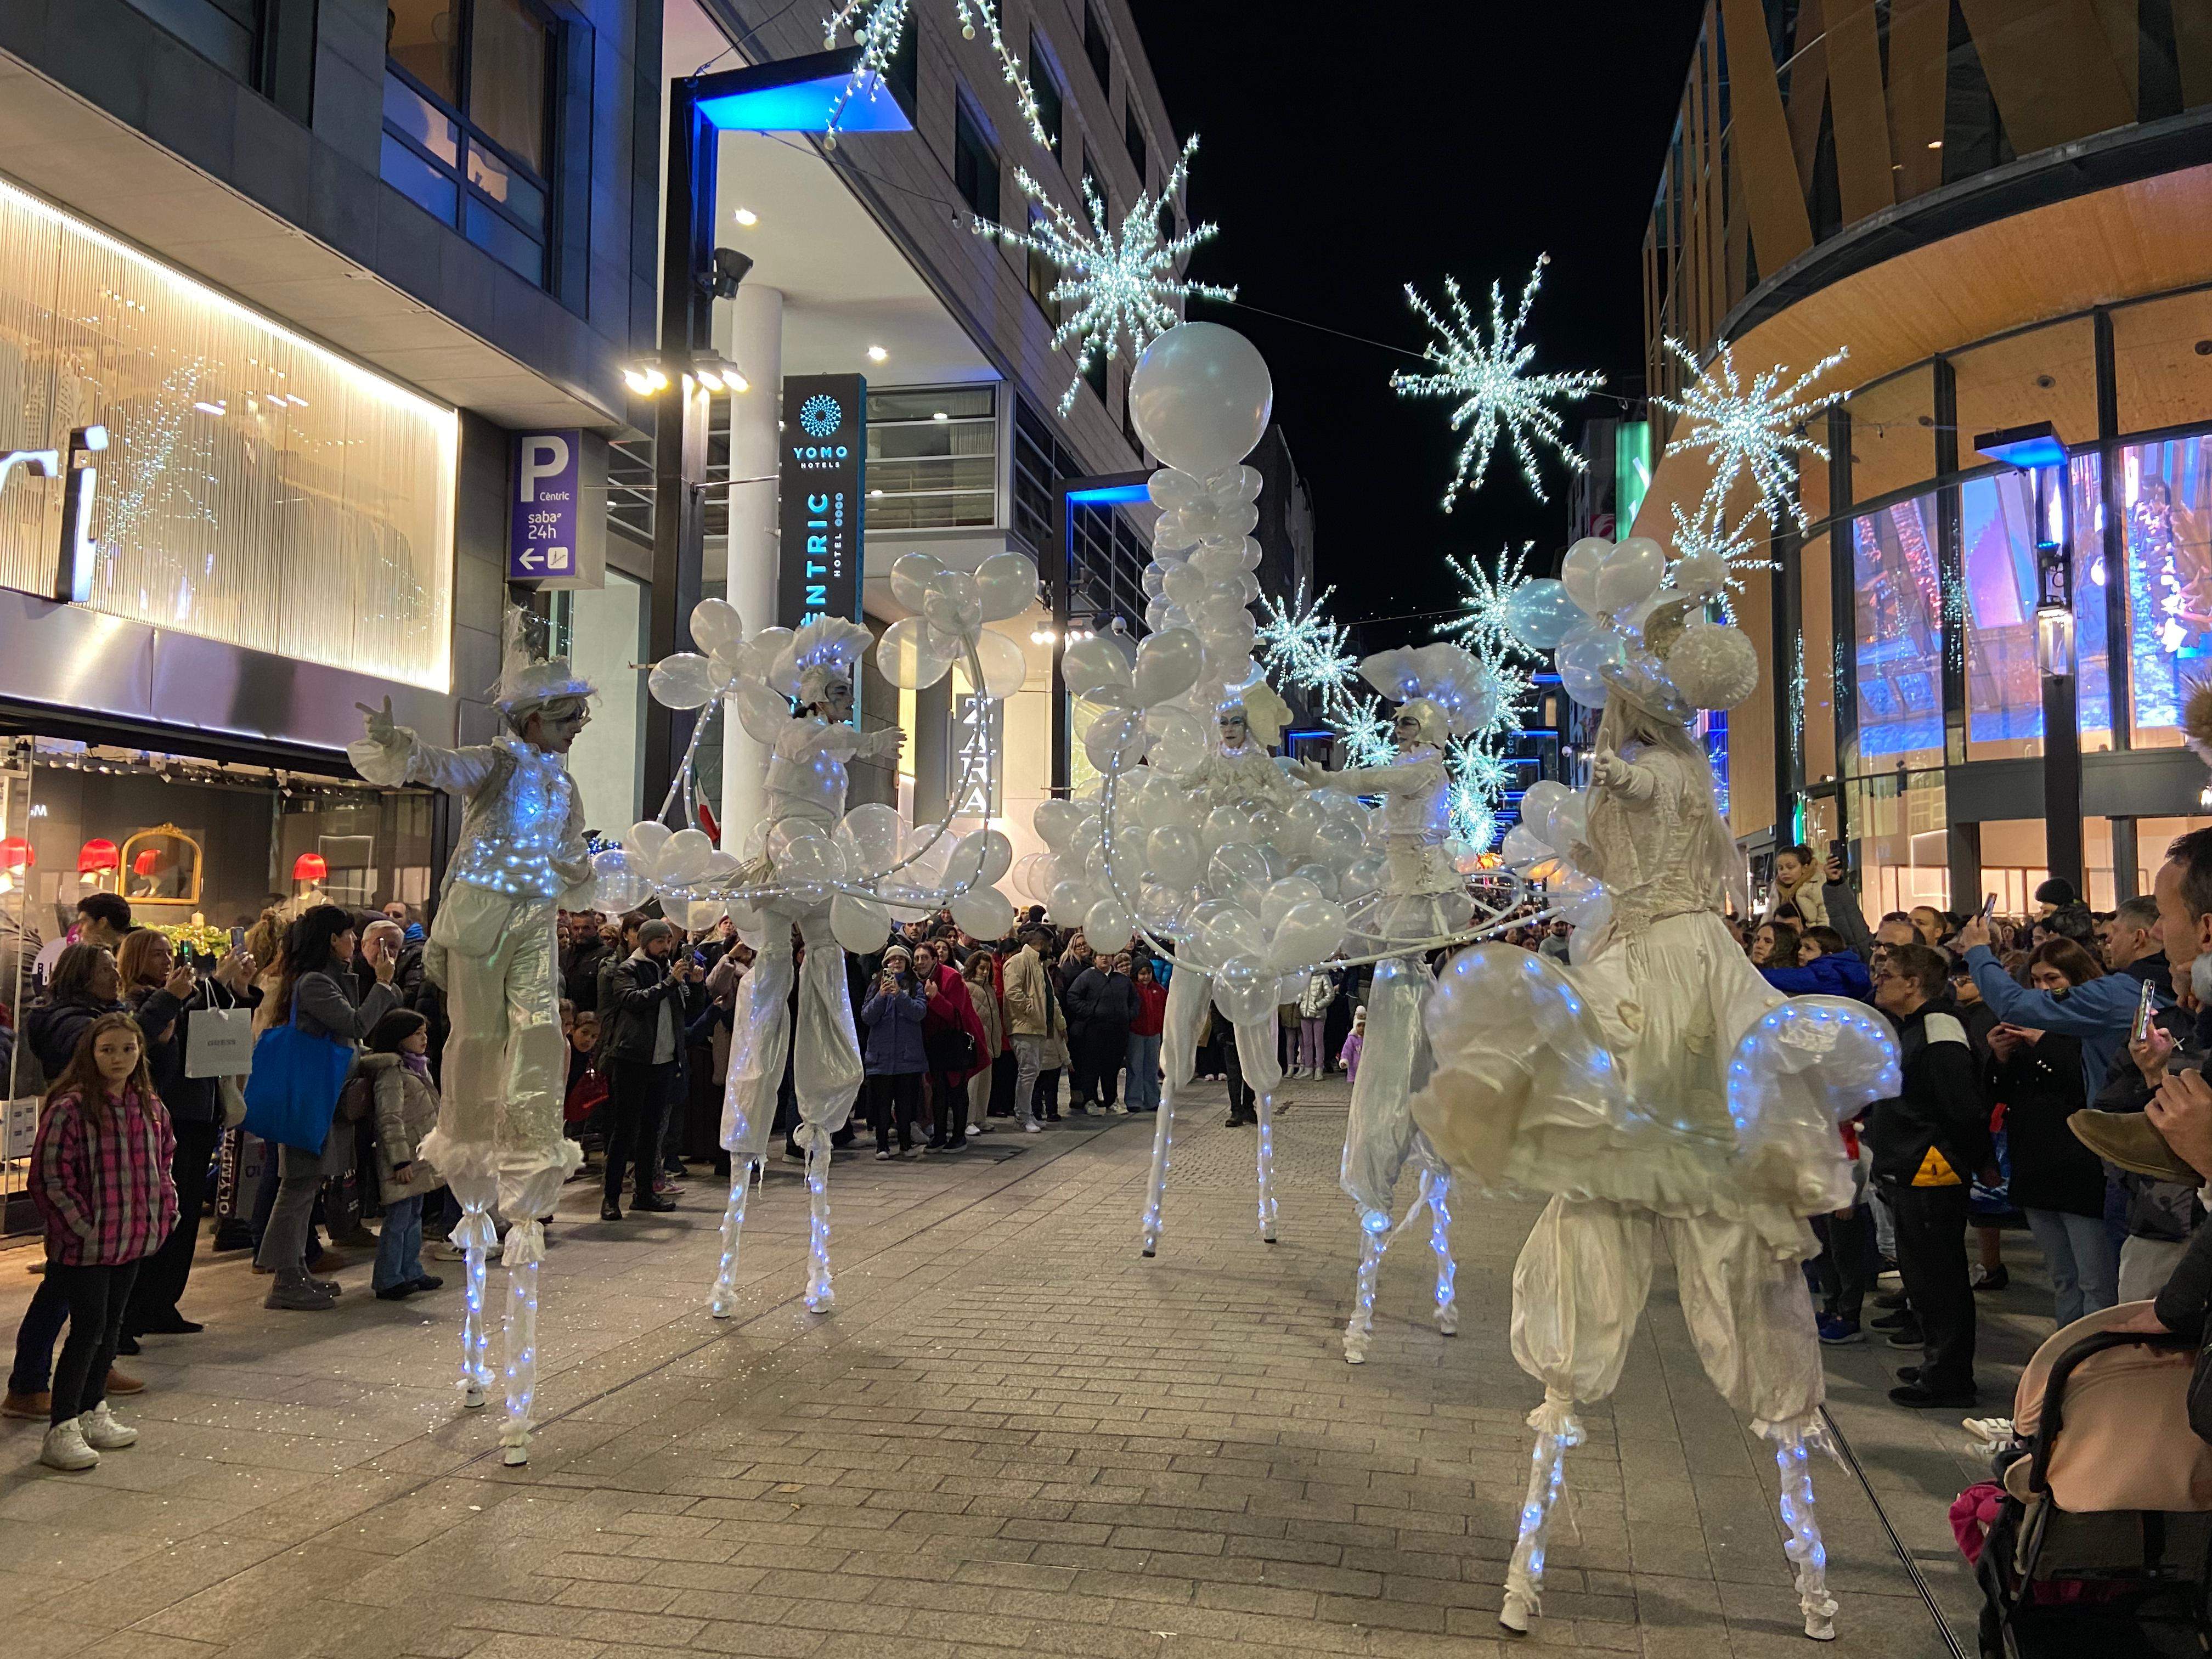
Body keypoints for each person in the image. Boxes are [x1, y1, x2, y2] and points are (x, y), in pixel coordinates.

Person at [30, 1011, 176, 1471]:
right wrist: (81, 1225)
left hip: (132, 1239)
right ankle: (62, 1424)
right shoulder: (70, 1108)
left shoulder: (150, 1105)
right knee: (87, 1328)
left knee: (112, 1326)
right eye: (108, 1050)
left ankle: (93, 1408)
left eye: (128, 1049)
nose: (119, 1059)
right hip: (87, 1245)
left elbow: (165, 1162)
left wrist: (165, 1210)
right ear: (90, 1053)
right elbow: (51, 1177)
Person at [257, 905, 400, 1310]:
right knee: (297, 1188)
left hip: (323, 1096)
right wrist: (383, 986)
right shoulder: (314, 984)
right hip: (310, 1097)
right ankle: (285, 1278)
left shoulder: (327, 978)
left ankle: (296, 1269)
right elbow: (354, 1026)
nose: (354, 943)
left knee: (306, 1187)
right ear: (331, 941)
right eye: (348, 936)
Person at [1869, 942, 1990, 1408]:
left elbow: (1961, 1106)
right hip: (1911, 1162)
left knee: (1939, 1276)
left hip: (1931, 1167)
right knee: (1922, 1274)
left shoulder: (1939, 1030)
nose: (1879, 981)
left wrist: (1978, 1159)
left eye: (1887, 975)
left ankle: (1950, 1377)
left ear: (1914, 984)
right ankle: (1936, 1361)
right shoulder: (1915, 1027)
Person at [116, 929, 250, 1345]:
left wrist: (235, 989)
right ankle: (136, 1310)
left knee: (187, 1214)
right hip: (168, 1116)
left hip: (201, 1112)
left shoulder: (177, 993)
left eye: (169, 952)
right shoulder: (139, 1001)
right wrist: (209, 985)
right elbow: (153, 1048)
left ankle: (163, 1302)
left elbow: (213, 1026)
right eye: (157, 953)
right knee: (161, 1218)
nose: (166, 959)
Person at [1984, 942, 2117, 1327]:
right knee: (2063, 1278)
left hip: (2081, 1168)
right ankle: (2063, 1357)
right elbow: (1999, 1094)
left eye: (2053, 980)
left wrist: (2043, 1041)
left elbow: (2089, 1083)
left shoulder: (2093, 1026)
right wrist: (2001, 1058)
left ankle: (2091, 1364)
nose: (2042, 989)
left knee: (2096, 1281)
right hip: (2037, 1166)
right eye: (2036, 980)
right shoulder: (2027, 1028)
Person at [600, 919, 697, 1220]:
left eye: (669, 941)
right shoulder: (628, 969)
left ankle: (644, 1193)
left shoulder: (670, 970)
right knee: (624, 1131)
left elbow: (686, 1011)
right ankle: (611, 1198)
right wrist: (668, 984)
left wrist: (693, 986)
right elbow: (632, 1000)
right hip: (633, 1059)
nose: (667, 947)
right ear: (644, 943)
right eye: (660, 942)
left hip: (664, 1060)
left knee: (652, 1132)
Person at [357, 1009, 445, 1300]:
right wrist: (399, 1160)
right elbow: (389, 1118)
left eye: (424, 1032)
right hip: (403, 1158)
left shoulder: (417, 1067)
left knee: (414, 1215)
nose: (424, 1038)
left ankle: (411, 1269)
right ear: (399, 1037)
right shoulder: (392, 1072)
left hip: (419, 1155)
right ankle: (388, 1277)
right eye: (417, 1033)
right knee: (398, 1219)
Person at [916, 940, 987, 1151]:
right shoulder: (916, 980)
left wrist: (935, 997)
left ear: (935, 960)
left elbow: (957, 1015)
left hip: (956, 1042)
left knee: (956, 1089)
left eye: (925, 958)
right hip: (934, 1043)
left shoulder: (951, 977)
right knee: (938, 1090)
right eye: (917, 958)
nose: (920, 962)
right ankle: (939, 1135)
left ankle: (958, 1136)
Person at [861, 946, 927, 1159]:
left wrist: (900, 995)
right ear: (886, 964)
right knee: (881, 1103)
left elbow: (919, 1012)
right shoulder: (875, 986)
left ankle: (906, 1144)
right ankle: (882, 1145)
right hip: (881, 1056)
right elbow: (867, 1017)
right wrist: (881, 996)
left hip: (907, 1057)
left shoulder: (915, 986)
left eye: (901, 960)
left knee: (906, 1103)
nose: (896, 963)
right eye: (892, 960)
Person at [1000, 926, 1061, 1136]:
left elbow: (1047, 995)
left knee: (1033, 1073)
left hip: (1039, 1027)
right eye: (1050, 945)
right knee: (1027, 1072)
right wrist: (1032, 1010)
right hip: (1024, 1026)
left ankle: (1028, 1113)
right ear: (1041, 944)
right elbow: (1013, 992)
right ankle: (1022, 1116)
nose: (1052, 949)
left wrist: (1056, 1020)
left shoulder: (1040, 965)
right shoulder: (1017, 962)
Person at [1065, 951, 1139, 1113]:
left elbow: (1134, 1000)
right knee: (1091, 1067)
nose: (1105, 958)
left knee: (1112, 1068)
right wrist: (1090, 1011)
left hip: (1117, 1031)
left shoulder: (1122, 980)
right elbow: (1072, 997)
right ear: (1095, 959)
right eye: (1101, 956)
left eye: (1108, 956)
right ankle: (1090, 1100)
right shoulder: (1087, 977)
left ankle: (1111, 1100)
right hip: (1093, 1030)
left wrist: (1128, 1015)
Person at [962, 950, 1005, 1138]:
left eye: (987, 969)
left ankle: (980, 1117)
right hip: (975, 1043)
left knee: (985, 1083)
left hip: (989, 1042)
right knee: (973, 1084)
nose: (985, 972)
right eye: (981, 968)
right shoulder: (969, 987)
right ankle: (968, 1120)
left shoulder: (989, 989)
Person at [1126, 958, 1167, 1112]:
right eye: (1142, 974)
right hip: (1136, 1033)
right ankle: (1134, 1100)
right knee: (1135, 1067)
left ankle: (1152, 1100)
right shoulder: (1131, 989)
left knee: (1151, 1068)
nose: (1146, 977)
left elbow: (1164, 1011)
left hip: (1154, 1034)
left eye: (1148, 973)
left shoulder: (1159, 990)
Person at [1766, 844, 1828, 929]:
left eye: (1790, 867)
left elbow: (1824, 918)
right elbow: (1768, 916)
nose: (1785, 872)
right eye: (1780, 868)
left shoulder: (1819, 885)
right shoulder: (1776, 887)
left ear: (1804, 868)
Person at [1293, 968, 1334, 1079]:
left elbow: (1330, 995)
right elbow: (1299, 992)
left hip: (1318, 1014)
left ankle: (1319, 1068)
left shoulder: (1323, 976)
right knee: (1306, 1042)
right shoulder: (1304, 977)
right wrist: (1300, 1003)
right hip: (1304, 1013)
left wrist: (1317, 1006)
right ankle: (1308, 1068)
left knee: (1318, 1042)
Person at [1339, 1006, 1365, 1084]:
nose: (1362, 1028)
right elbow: (1347, 1050)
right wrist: (1344, 1060)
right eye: (1359, 1026)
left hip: (1366, 1070)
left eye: (1364, 1026)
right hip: (1355, 1070)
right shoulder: (1352, 1039)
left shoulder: (1368, 1039)